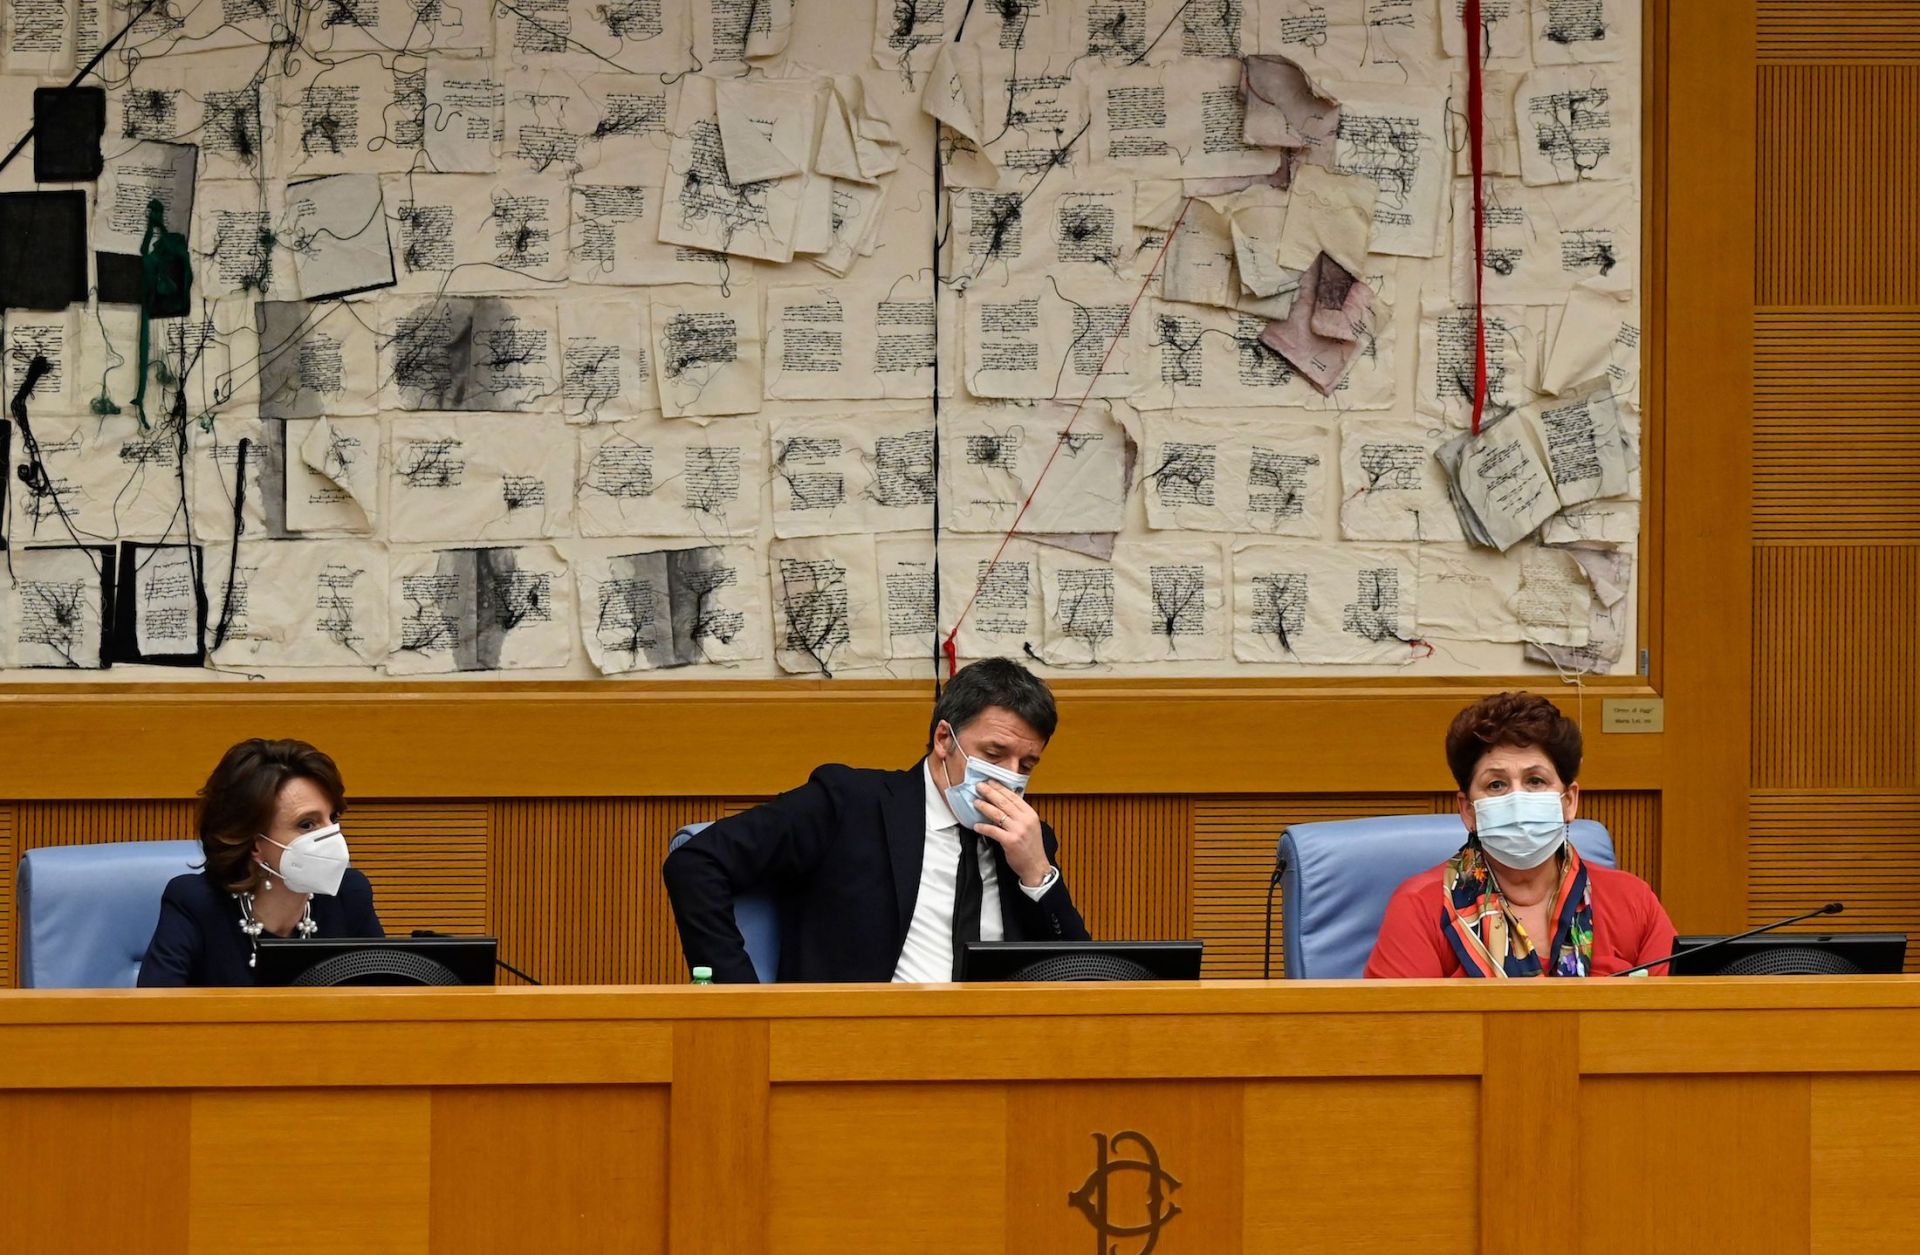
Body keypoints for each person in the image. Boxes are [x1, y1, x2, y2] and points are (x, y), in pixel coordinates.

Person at [663, 657, 1089, 983]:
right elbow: (696, 864)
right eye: (994, 755)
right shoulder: (850, 804)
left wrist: (1038, 874)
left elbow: (1084, 977)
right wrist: (744, 1001)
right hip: (859, 1052)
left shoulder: (1027, 840)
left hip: (995, 1058)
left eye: (1027, 764)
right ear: (944, 739)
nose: (1009, 775)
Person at [1365, 692, 1676, 978]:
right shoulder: (1421, 908)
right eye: (1496, 785)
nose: (1517, 798)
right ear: (1469, 810)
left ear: (1568, 801)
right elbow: (1397, 1033)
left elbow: (1678, 1023)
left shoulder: (1633, 902)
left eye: (1536, 781)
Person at [138, 738, 383, 986]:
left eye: (333, 817)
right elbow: (151, 1017)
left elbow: (389, 1007)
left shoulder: (349, 895)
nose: (331, 836)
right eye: (307, 824)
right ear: (254, 843)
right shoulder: (195, 904)